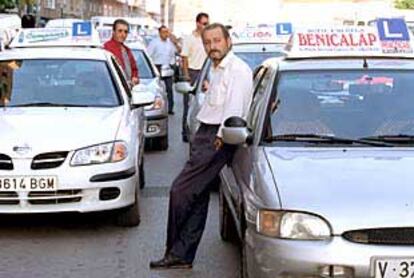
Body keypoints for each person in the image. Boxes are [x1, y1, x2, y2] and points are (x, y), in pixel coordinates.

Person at [150, 23, 253, 269]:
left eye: (217, 41)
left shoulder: (237, 70)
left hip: (219, 137)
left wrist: (220, 136)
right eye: (207, 42)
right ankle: (182, 255)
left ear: (228, 41)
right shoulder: (218, 69)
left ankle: (175, 251)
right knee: (197, 196)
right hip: (206, 133)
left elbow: (235, 108)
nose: (212, 47)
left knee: (180, 190)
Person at [180, 12, 209, 142]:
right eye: (204, 23)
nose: (206, 26)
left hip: (205, 72)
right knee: (189, 104)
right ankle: (186, 132)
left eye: (207, 23)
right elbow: (184, 58)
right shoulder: (189, 39)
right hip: (192, 72)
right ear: (197, 23)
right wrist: (186, 76)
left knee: (204, 102)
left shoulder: (207, 39)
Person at [147, 25, 181, 115]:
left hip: (167, 67)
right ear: (159, 33)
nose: (166, 34)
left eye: (167, 32)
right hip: (157, 66)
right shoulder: (154, 43)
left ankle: (170, 108)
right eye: (164, 32)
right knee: (157, 88)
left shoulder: (170, 43)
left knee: (169, 88)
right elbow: (149, 55)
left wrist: (176, 43)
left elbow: (178, 52)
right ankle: (155, 106)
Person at [104, 19, 139, 86]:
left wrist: (134, 78)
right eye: (120, 31)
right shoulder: (106, 49)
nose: (123, 34)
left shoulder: (127, 50)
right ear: (113, 32)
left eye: (125, 32)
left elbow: (134, 69)